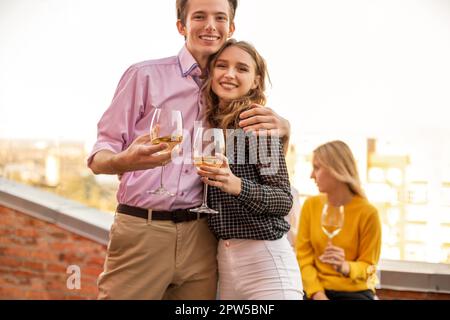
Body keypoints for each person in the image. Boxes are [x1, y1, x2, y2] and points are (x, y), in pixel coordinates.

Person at [87, 0, 291, 300]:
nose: (210, 25)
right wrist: (125, 160)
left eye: (220, 17)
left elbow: (268, 173)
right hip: (144, 229)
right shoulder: (144, 75)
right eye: (199, 16)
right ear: (182, 26)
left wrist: (286, 129)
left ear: (230, 27)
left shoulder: (228, 95)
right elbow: (98, 158)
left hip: (203, 236)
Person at [197, 39, 303, 300]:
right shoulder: (210, 125)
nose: (230, 74)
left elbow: (283, 200)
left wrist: (237, 186)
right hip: (226, 261)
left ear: (256, 80)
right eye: (222, 65)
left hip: (266, 263)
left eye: (242, 68)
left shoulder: (255, 124)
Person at [295, 140, 382, 300]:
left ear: (336, 170)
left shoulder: (368, 213)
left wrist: (345, 266)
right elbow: (303, 258)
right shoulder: (311, 206)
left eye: (317, 168)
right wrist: (317, 294)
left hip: (355, 293)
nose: (311, 175)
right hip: (315, 290)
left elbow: (370, 268)